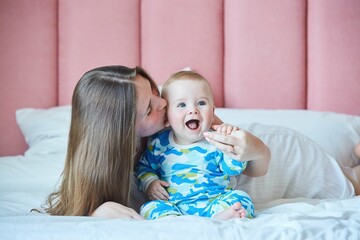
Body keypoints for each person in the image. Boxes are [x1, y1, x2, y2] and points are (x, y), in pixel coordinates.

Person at [44, 65, 270, 219]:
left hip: (266, 157)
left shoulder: (195, 120)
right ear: (125, 131)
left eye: (155, 91)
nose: (163, 104)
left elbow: (251, 166)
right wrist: (95, 212)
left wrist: (256, 149)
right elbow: (76, 205)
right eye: (150, 109)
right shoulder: (111, 160)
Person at [136, 70, 271, 220]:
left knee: (240, 199)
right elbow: (144, 166)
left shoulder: (216, 140)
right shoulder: (159, 143)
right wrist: (150, 182)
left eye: (201, 103)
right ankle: (173, 222)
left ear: (212, 112)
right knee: (149, 208)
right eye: (181, 105)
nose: (193, 110)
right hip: (173, 205)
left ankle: (221, 218)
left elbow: (234, 169)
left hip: (214, 203)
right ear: (167, 116)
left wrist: (231, 143)